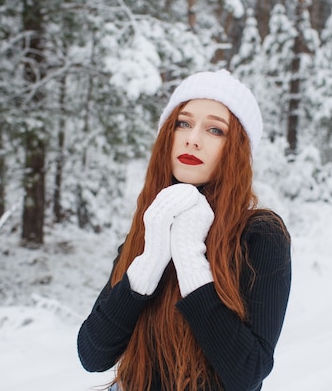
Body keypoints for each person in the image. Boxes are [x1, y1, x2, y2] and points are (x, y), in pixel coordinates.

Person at [77, 69, 292, 391]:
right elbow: (93, 355)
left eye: (215, 130)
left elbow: (248, 374)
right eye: (184, 123)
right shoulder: (151, 226)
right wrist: (151, 259)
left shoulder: (260, 234)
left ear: (237, 149)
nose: (193, 138)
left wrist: (191, 259)